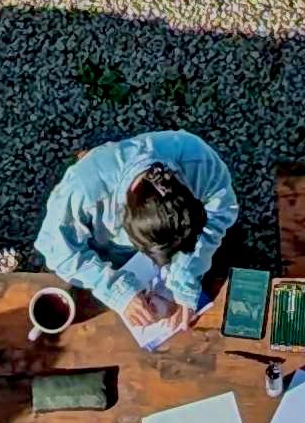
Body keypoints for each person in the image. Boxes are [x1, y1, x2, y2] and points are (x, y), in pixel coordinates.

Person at [34, 131, 239, 335]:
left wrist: (185, 279)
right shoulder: (83, 191)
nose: (162, 265)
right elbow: (57, 251)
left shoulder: (198, 160)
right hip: (104, 257)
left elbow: (220, 211)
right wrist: (118, 291)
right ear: (126, 219)